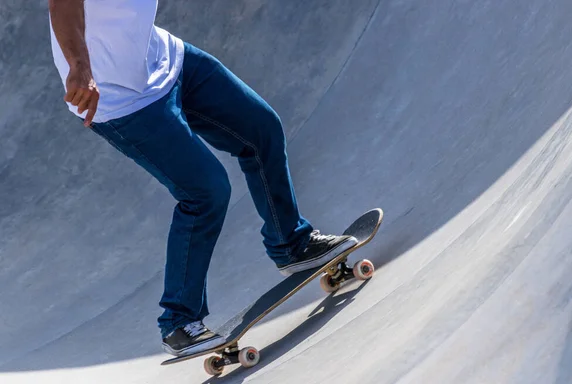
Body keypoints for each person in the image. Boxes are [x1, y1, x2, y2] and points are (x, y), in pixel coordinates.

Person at [48, 0, 358, 357]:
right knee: (206, 192)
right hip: (115, 98)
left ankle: (292, 243)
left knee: (261, 130)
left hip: (167, 60)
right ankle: (179, 321)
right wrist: (79, 66)